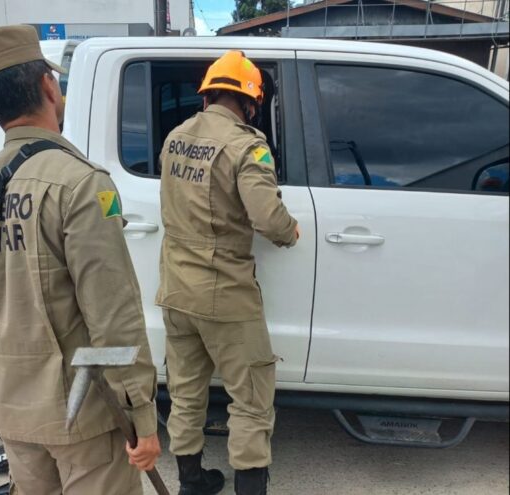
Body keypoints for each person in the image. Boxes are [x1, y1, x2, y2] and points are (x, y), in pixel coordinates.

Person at [0, 25, 160, 495]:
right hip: (82, 413)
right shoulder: (83, 183)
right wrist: (142, 416)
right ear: (49, 86)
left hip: (13, 405)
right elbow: (114, 316)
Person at [156, 51, 300, 495]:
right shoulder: (248, 146)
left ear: (208, 96)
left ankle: (191, 483)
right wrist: (291, 230)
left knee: (185, 394)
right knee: (252, 399)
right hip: (224, 294)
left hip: (175, 291)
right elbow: (268, 218)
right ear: (251, 103)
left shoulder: (175, 137)